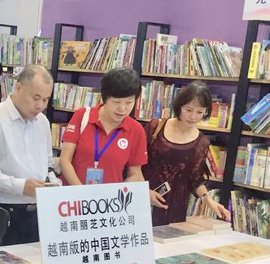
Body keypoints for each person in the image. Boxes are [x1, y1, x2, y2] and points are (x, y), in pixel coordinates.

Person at [0, 64, 58, 245]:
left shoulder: (43, 122)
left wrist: (53, 184)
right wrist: (21, 187)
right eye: (36, 98)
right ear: (18, 88)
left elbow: (48, 164)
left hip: (38, 212)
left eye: (45, 100)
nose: (40, 106)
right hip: (3, 212)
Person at [143, 81, 231, 225]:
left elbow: (194, 179)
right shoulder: (155, 127)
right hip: (144, 198)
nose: (193, 117)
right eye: (189, 110)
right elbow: (135, 164)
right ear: (179, 106)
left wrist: (208, 200)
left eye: (200, 112)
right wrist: (144, 192)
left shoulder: (201, 143)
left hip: (174, 207)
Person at [59, 67, 147, 186]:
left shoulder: (136, 130)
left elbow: (135, 173)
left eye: (129, 102)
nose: (122, 109)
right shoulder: (83, 116)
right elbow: (64, 160)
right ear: (104, 98)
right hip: (73, 194)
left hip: (109, 197)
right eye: (116, 102)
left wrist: (117, 191)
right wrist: (81, 192)